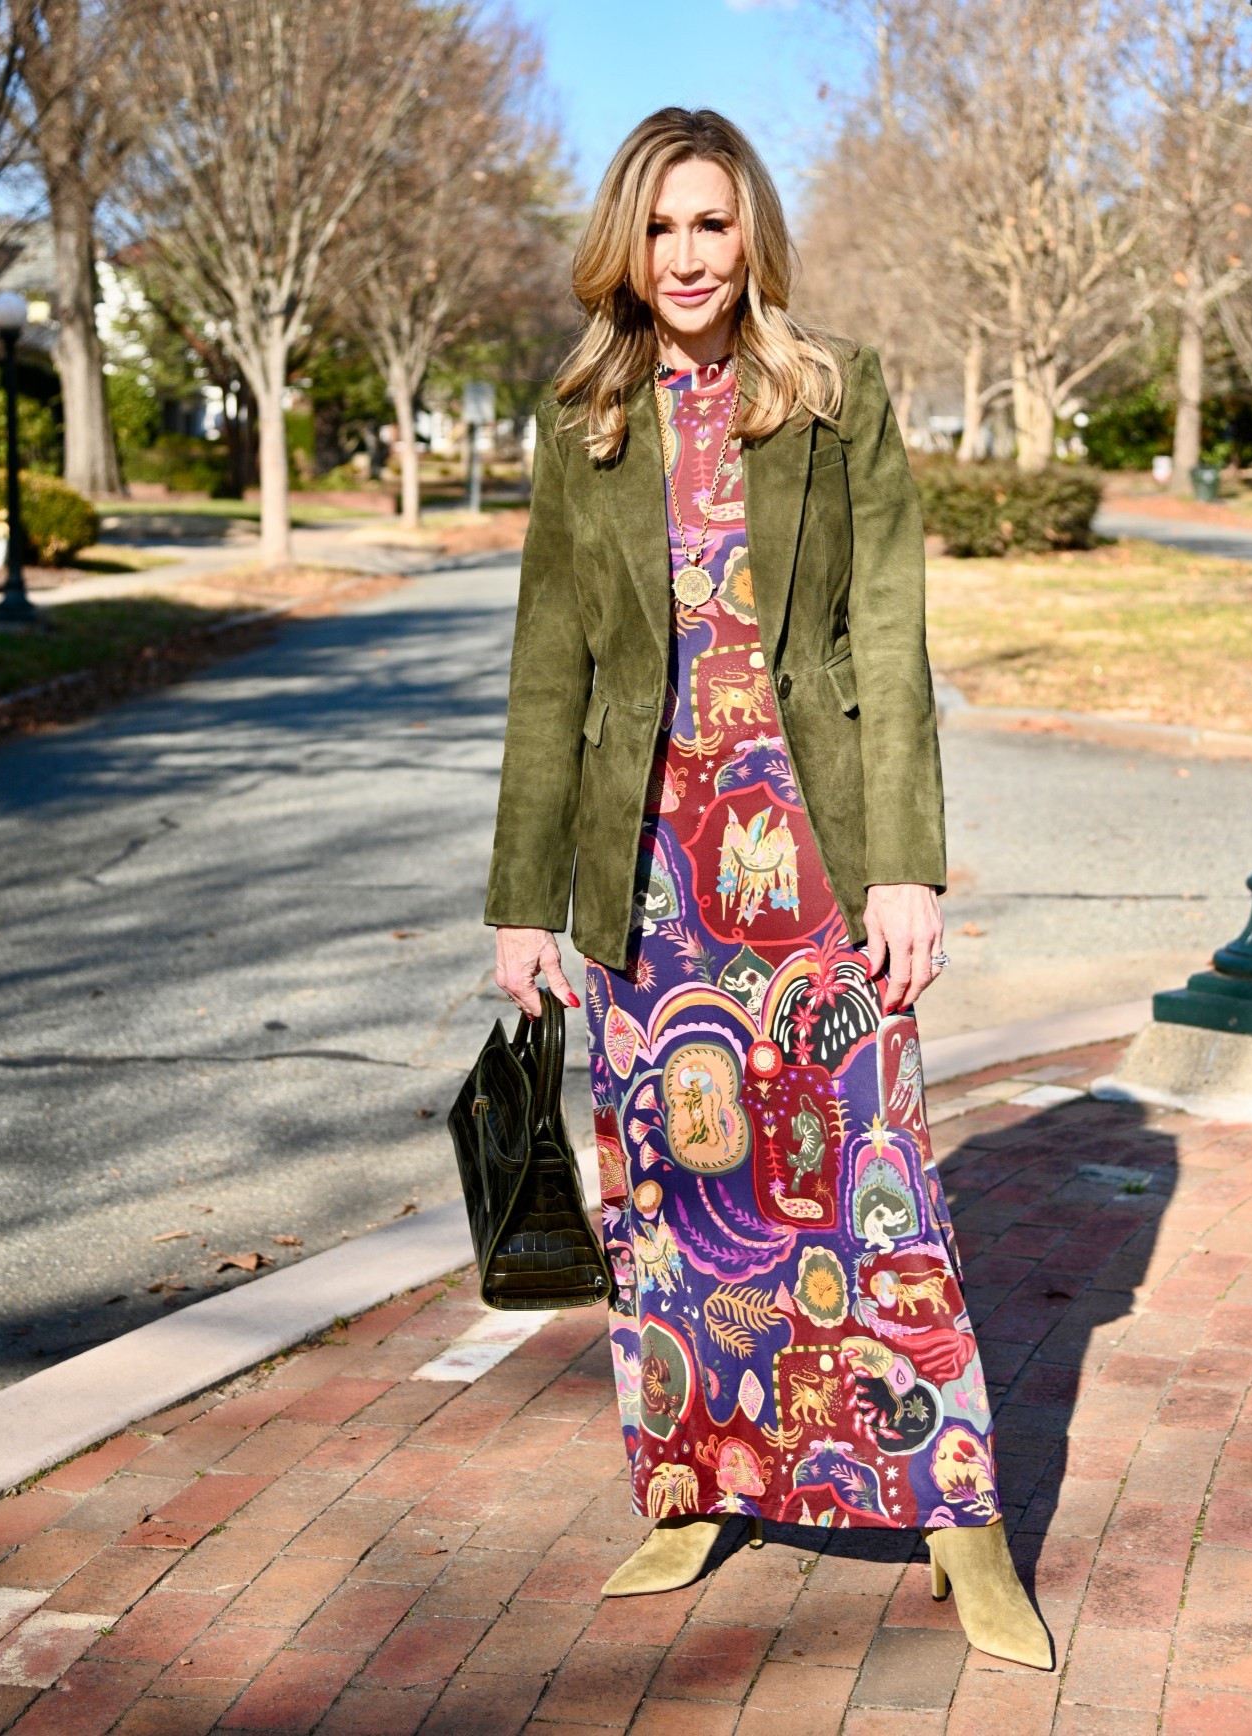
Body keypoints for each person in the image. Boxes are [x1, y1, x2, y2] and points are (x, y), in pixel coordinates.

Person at [486, 107, 1049, 1671]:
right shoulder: (583, 420)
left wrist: (906, 866)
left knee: (878, 1191)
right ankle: (691, 1484)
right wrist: (523, 898)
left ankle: (957, 1517)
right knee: (673, 1204)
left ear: (751, 238)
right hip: (648, 873)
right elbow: (548, 673)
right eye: (660, 227)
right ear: (626, 244)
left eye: (711, 224)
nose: (686, 256)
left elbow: (889, 639)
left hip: (808, 856)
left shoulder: (829, 394)